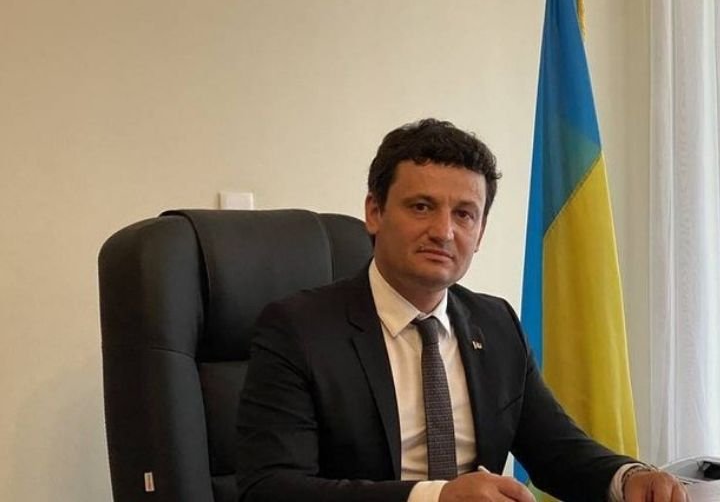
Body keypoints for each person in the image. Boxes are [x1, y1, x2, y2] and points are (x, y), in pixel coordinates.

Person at [237, 119, 688, 502]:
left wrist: (628, 478)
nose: (444, 232)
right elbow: (270, 489)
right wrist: (436, 497)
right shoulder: (298, 329)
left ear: (481, 231)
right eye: (421, 207)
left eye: (465, 214)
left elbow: (558, 450)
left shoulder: (496, 323)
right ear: (374, 212)